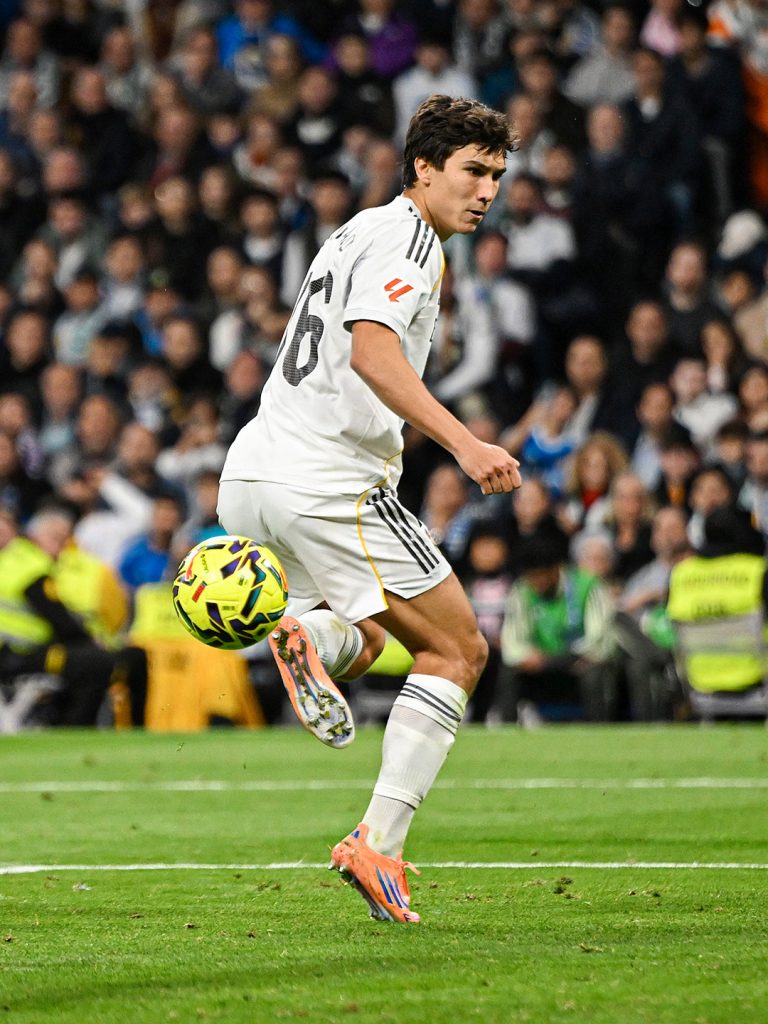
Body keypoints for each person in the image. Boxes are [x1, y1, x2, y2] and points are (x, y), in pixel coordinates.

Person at [218, 95, 520, 924]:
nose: (487, 190)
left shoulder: (358, 225)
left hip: (255, 470)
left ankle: (305, 635)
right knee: (458, 650)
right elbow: (374, 352)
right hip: (329, 482)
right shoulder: (411, 240)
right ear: (424, 168)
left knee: (376, 639)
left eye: (496, 174)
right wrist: (467, 444)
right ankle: (377, 845)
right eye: (473, 171)